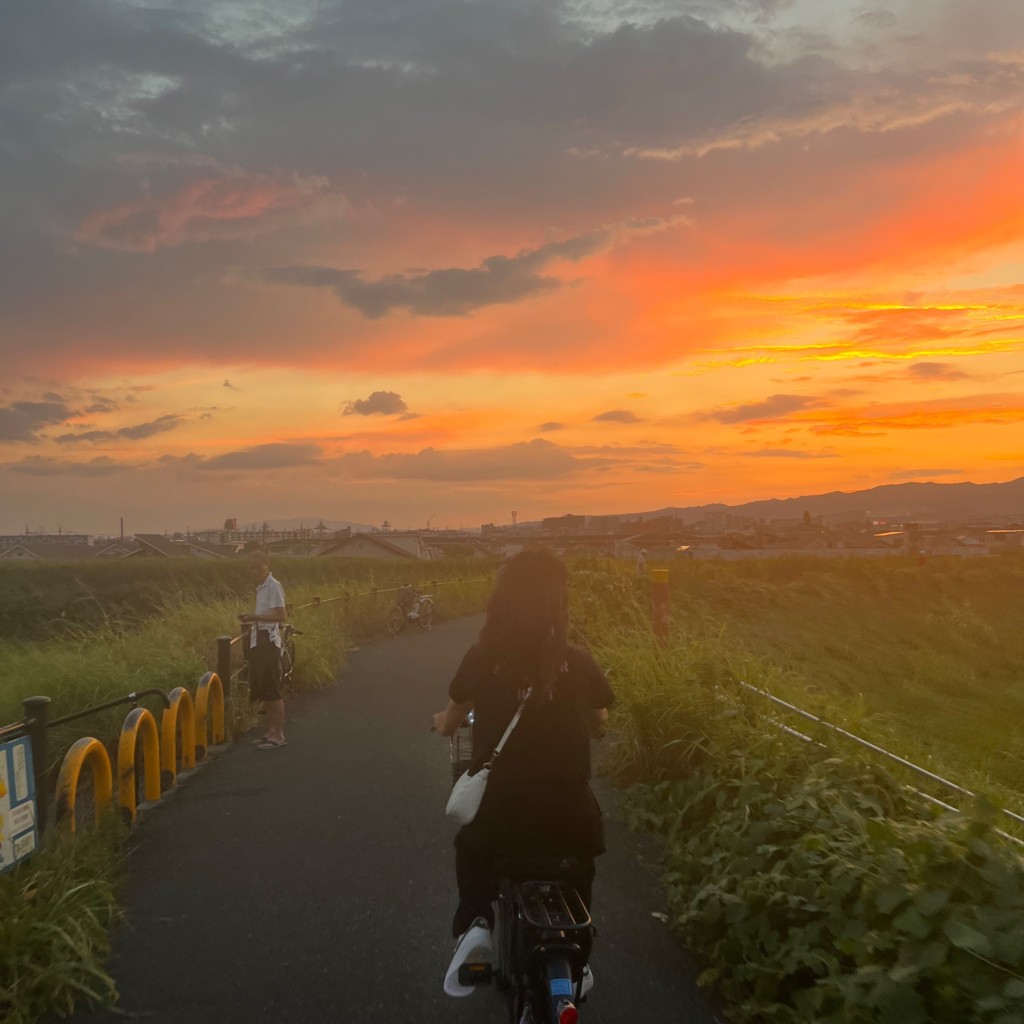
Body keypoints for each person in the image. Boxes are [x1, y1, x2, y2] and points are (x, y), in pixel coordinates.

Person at [432, 548, 614, 997]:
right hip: (568, 815)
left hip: (502, 815)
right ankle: (576, 954)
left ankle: (476, 924)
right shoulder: (575, 660)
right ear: (557, 602)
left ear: (502, 599)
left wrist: (439, 722)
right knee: (578, 867)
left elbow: (450, 722)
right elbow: (600, 724)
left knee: (470, 847)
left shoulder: (483, 657)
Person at [239, 552, 288, 750]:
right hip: (259, 641)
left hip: (268, 641)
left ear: (266, 566)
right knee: (265, 690)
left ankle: (279, 735)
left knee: (272, 689)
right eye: (251, 567)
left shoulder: (273, 585)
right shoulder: (261, 587)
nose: (254, 571)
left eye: (258, 567)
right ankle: (271, 732)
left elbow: (281, 616)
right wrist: (252, 618)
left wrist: (254, 617)